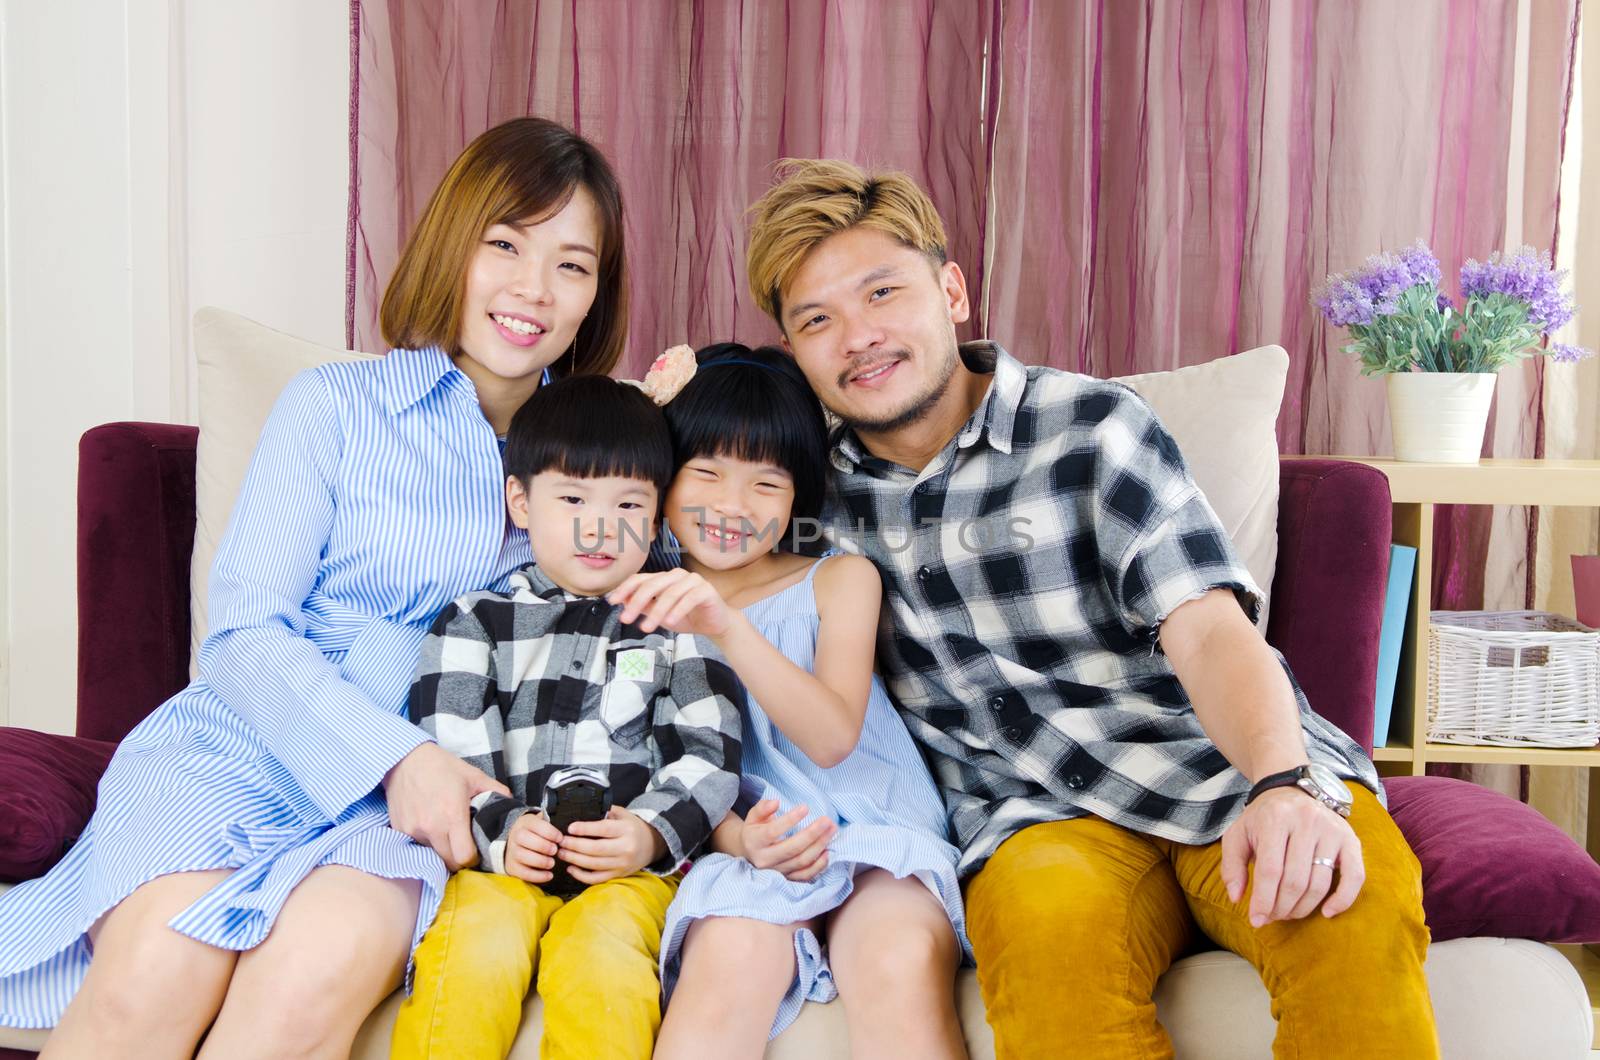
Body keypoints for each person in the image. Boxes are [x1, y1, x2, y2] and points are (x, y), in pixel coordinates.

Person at [739, 159, 1439, 1058]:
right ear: (794, 351)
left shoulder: (1091, 427)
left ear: (951, 289)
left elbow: (1210, 627)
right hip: (1033, 820)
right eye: (817, 321)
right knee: (1048, 956)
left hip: (1216, 766)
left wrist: (1280, 781)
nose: (859, 337)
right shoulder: (802, 494)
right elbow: (653, 505)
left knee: (1352, 920)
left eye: (883, 293)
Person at [0, 117, 630, 1059]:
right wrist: (388, 754)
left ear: (596, 300)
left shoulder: (601, 469)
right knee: (153, 972)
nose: (533, 289)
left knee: (306, 987)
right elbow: (245, 630)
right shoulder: (335, 405)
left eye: (572, 266)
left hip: (413, 809)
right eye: (505, 244)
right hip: (244, 745)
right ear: (453, 246)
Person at [608, 344, 968, 1059]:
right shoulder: (641, 600)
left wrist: (727, 628)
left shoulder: (840, 579)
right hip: (747, 841)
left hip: (871, 826)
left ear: (798, 493)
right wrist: (742, 841)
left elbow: (833, 737)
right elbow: (654, 766)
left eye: (765, 484)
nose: (731, 507)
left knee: (893, 960)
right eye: (704, 472)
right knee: (725, 969)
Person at [392, 374, 744, 1060]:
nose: (600, 527)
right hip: (501, 871)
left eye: (629, 503)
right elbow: (450, 751)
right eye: (574, 498)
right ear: (520, 502)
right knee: (471, 953)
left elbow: (711, 753)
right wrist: (502, 831)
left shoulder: (676, 627)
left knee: (605, 962)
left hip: (627, 876)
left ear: (657, 516)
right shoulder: (477, 622)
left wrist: (647, 834)